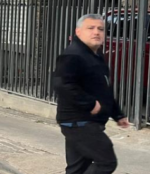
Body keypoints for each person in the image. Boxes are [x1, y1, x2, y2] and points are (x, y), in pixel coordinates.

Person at [53, 14, 128, 174]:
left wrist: (117, 114)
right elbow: (62, 84)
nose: (96, 32)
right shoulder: (73, 55)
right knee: (106, 162)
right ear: (78, 32)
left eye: (100, 29)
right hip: (79, 122)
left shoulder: (95, 55)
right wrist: (89, 103)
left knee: (78, 169)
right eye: (91, 28)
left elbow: (103, 89)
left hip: (83, 123)